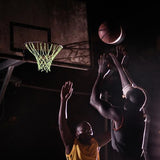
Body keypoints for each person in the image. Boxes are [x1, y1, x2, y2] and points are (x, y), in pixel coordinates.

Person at [90, 46, 149, 160]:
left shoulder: (120, 116)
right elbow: (131, 91)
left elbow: (93, 101)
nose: (124, 95)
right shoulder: (140, 115)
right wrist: (121, 68)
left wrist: (100, 72)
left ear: (126, 101)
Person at [58, 81, 111, 160]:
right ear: (76, 134)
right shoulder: (72, 145)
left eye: (90, 131)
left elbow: (112, 132)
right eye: (84, 131)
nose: (88, 132)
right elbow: (62, 126)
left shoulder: (95, 143)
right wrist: (64, 101)